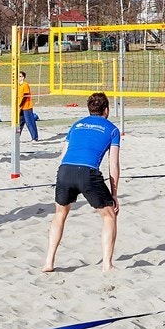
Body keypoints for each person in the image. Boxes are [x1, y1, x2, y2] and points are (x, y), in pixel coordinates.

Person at [42, 91, 122, 272]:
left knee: (60, 214)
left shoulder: (76, 125)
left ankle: (48, 262)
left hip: (65, 170)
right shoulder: (112, 129)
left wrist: (60, 178)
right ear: (106, 110)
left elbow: (63, 155)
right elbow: (114, 165)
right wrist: (114, 195)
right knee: (110, 216)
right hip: (87, 172)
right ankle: (107, 265)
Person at [18, 70, 39, 142]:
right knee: (20, 122)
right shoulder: (18, 85)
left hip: (26, 106)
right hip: (21, 107)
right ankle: (17, 137)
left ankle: (34, 137)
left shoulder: (25, 84)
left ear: (23, 77)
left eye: (20, 76)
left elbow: (25, 96)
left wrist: (21, 105)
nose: (19, 78)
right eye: (18, 76)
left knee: (29, 122)